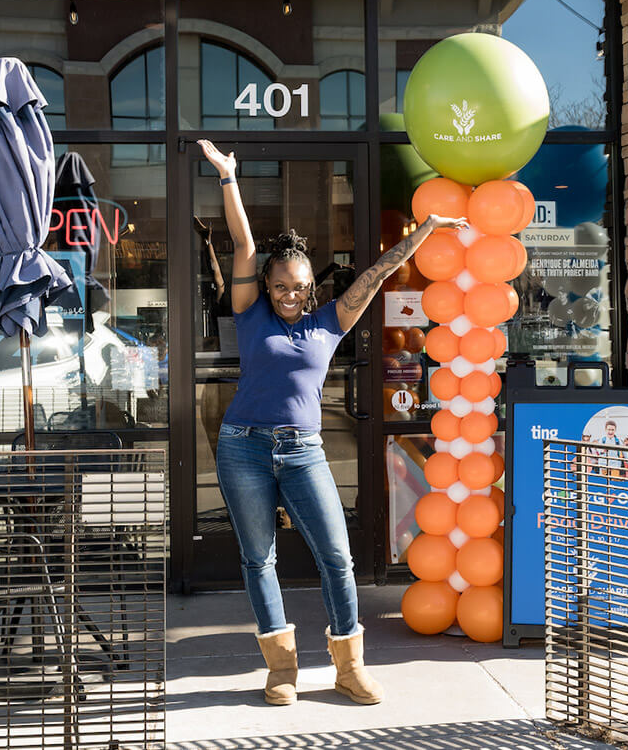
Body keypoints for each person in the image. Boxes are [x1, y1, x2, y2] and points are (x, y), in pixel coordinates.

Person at [198, 139, 468, 707]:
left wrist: (424, 231)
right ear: (266, 287)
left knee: (337, 558)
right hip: (242, 446)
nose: (290, 294)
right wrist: (228, 176)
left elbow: (378, 270)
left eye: (298, 285)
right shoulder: (249, 314)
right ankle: (281, 668)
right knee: (258, 558)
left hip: (303, 450)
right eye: (280, 286)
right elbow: (244, 243)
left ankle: (349, 666)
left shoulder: (330, 322)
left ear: (310, 286)